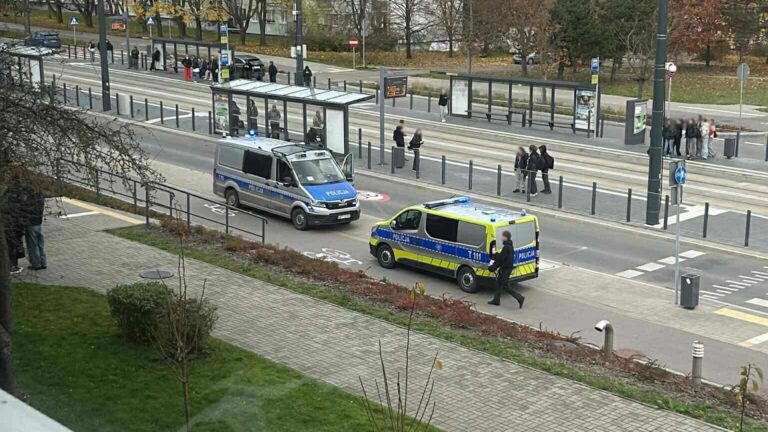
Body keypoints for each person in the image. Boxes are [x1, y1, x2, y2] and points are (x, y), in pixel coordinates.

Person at [487, 230, 525, 308]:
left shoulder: (506, 247)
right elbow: (503, 257)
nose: (501, 238)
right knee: (498, 283)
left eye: (502, 236)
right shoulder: (510, 246)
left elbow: (501, 259)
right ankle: (496, 300)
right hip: (506, 268)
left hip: (505, 269)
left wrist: (493, 265)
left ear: (505, 237)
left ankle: (520, 297)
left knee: (505, 286)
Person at [23, 185, 46, 270]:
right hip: (39, 223)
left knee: (32, 245)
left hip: (31, 224)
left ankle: (36, 264)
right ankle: (43, 262)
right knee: (40, 244)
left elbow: (25, 211)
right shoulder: (40, 198)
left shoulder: (29, 201)